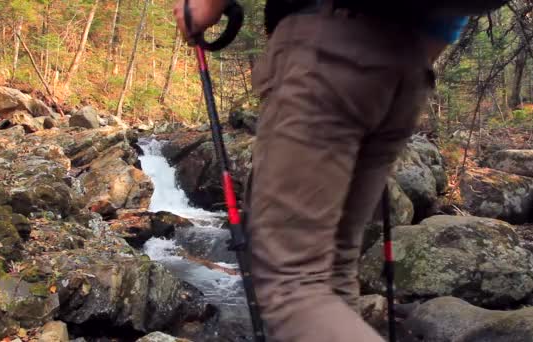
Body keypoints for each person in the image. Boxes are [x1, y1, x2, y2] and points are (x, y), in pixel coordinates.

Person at [174, 1, 467, 341]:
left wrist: (205, 6)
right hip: (410, 72)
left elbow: (202, 11)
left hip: (326, 54)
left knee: (291, 286)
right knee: (333, 270)